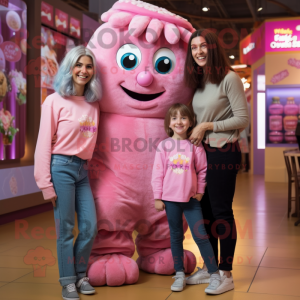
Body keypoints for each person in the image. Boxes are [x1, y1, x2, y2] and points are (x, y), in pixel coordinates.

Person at [34, 45, 102, 300]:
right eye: (78, 65)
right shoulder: (54, 100)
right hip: (60, 168)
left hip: (82, 170)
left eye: (88, 66)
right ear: (69, 68)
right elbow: (43, 143)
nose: (83, 70)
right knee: (66, 229)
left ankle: (81, 274)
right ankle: (67, 281)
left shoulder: (93, 104)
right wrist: (45, 183)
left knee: (89, 226)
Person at [184, 29, 248, 294]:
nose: (198, 51)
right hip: (203, 154)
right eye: (194, 47)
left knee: (222, 213)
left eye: (203, 46)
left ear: (213, 49)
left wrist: (207, 126)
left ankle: (226, 273)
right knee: (206, 213)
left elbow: (242, 119)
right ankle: (211, 268)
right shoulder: (198, 82)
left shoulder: (229, 78)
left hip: (223, 152)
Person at [151, 103, 222, 294]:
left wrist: (200, 191)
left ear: (190, 122)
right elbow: (157, 173)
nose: (179, 121)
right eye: (174, 118)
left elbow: (202, 170)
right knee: (175, 236)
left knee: (201, 236)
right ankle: (180, 273)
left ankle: (214, 274)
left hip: (191, 200)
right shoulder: (164, 145)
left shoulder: (195, 146)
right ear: (169, 123)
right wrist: (158, 197)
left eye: (183, 118)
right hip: (170, 200)